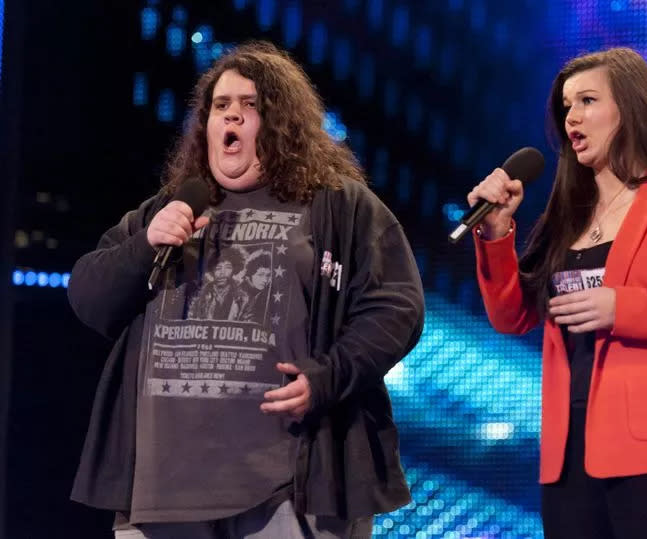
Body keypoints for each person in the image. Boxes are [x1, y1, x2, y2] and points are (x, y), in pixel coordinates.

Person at [68, 40, 424, 538]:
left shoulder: (339, 207)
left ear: (281, 123)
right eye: (220, 106)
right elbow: (88, 295)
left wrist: (328, 377)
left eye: (249, 106)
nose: (231, 117)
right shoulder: (166, 211)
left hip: (288, 485)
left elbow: (395, 307)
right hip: (160, 490)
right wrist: (144, 245)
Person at [467, 47, 647, 539]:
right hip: (570, 457)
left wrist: (623, 307)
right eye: (565, 106)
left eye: (587, 100)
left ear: (630, 107)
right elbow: (512, 316)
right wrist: (496, 234)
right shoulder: (569, 215)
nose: (572, 117)